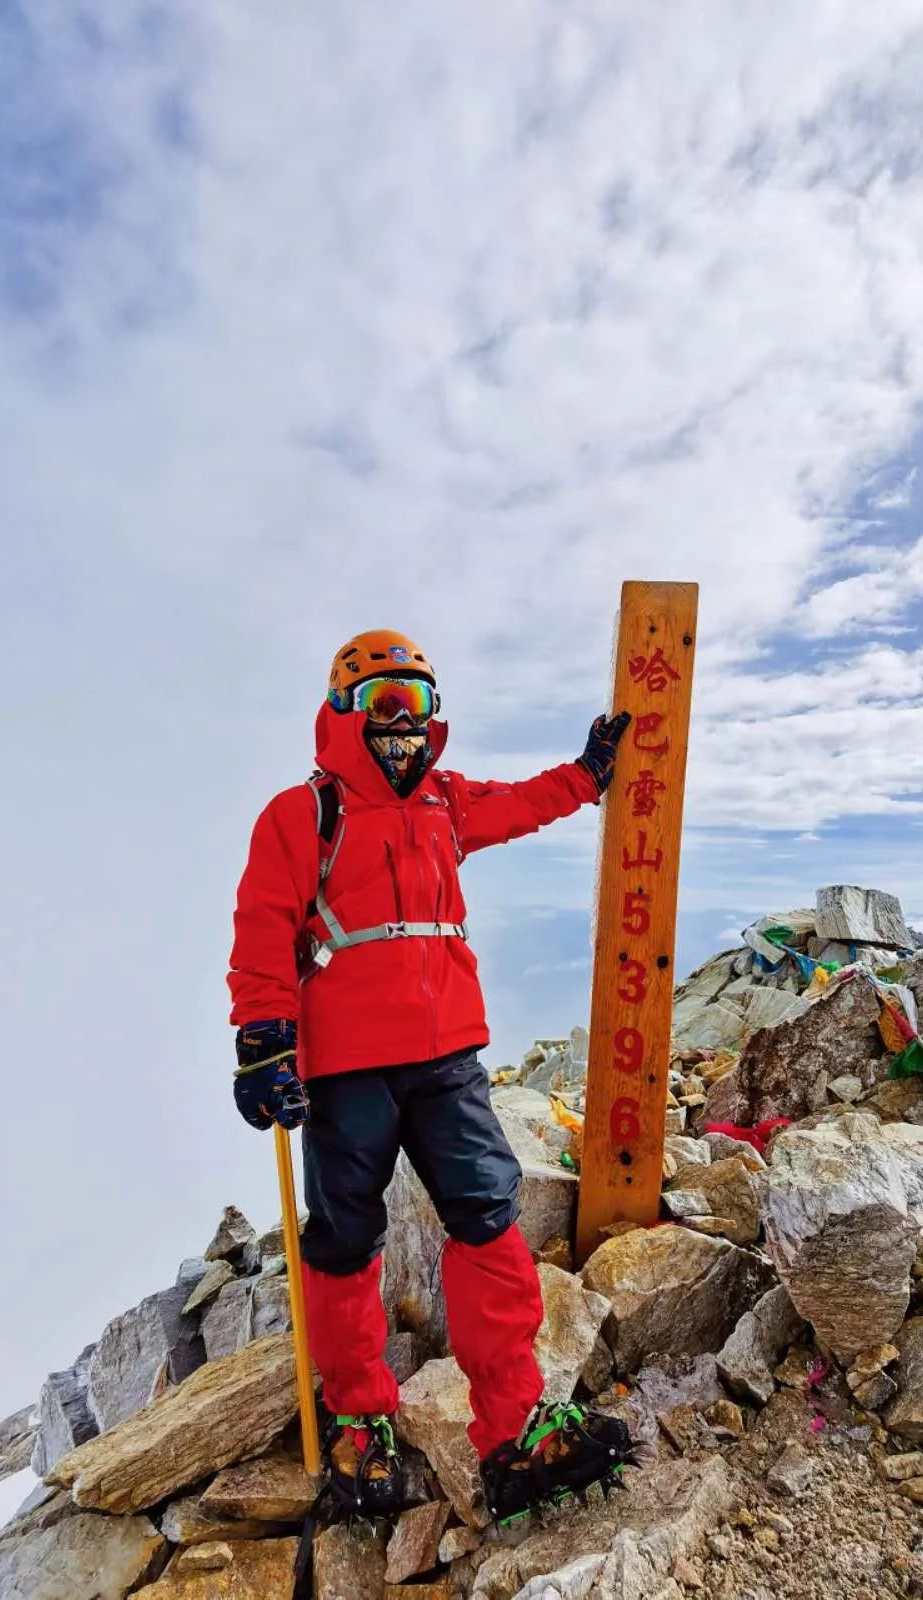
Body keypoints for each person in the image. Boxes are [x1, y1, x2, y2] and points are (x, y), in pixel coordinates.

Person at [227, 629, 633, 1522]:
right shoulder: (302, 814)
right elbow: (262, 929)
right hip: (344, 1070)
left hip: (448, 1058)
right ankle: (359, 1419)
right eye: (382, 703)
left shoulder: (448, 801)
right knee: (344, 1241)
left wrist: (587, 774)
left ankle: (515, 1427)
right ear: (343, 712)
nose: (403, 720)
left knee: (488, 1222)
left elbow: (526, 803)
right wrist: (264, 1042)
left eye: (418, 700)